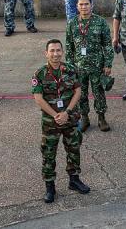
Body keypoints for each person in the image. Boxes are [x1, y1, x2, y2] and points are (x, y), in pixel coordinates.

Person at [31, 39, 90, 204]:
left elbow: (78, 91)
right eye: (52, 51)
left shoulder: (70, 70)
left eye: (58, 50)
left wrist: (67, 112)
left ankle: (74, 180)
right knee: (49, 153)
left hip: (70, 119)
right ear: (46, 53)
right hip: (51, 122)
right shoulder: (40, 74)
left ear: (62, 52)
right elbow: (38, 98)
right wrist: (56, 115)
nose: (55, 54)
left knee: (73, 148)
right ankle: (50, 186)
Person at [65, 0, 114, 132]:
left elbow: (107, 45)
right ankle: (85, 118)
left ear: (91, 5)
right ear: (77, 6)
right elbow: (69, 47)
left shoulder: (100, 22)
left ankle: (101, 118)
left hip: (97, 66)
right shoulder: (72, 23)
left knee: (99, 92)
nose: (84, 7)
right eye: (81, 4)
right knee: (81, 93)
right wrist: (70, 67)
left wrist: (108, 64)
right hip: (79, 67)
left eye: (86, 4)